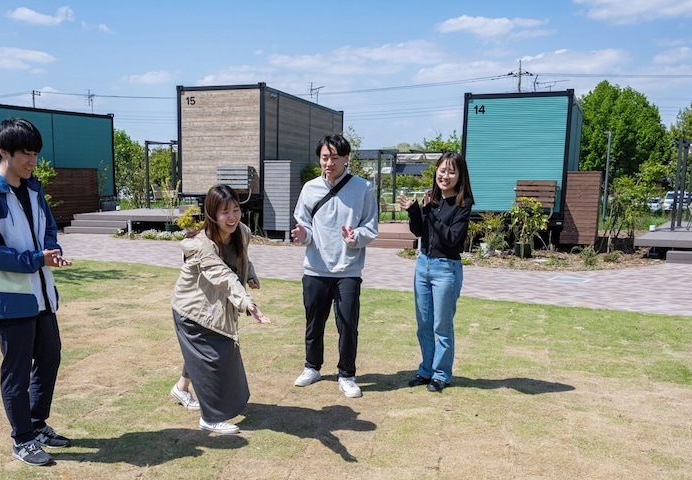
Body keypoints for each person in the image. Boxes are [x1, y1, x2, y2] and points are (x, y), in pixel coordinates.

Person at [0, 117, 73, 466]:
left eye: (35, 154)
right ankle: (22, 439)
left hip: (41, 294)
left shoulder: (33, 190)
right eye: (26, 154)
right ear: (4, 152)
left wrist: (51, 251)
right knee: (17, 370)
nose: (32, 161)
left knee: (50, 357)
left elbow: (48, 229)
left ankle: (36, 424)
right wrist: (35, 259)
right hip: (9, 300)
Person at [171, 184, 270, 434]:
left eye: (236, 209)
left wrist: (250, 274)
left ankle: (181, 389)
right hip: (192, 310)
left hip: (211, 306)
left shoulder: (241, 232)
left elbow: (242, 257)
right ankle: (210, 418)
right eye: (225, 212)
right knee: (215, 358)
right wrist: (247, 303)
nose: (232, 217)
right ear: (212, 214)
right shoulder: (202, 245)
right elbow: (223, 276)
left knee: (201, 354)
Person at [290, 133, 378, 398]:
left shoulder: (363, 188)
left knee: (348, 324)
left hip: (348, 270)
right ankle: (312, 367)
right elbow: (304, 222)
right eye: (324, 157)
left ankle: (347, 374)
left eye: (335, 158)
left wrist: (356, 237)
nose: (329, 163)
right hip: (315, 268)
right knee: (314, 323)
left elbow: (370, 225)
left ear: (346, 158)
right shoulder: (310, 188)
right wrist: (303, 235)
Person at [397, 151, 475, 393]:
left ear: (460, 176)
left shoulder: (463, 205)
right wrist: (414, 210)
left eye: (451, 172)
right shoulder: (432, 199)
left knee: (442, 326)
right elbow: (419, 231)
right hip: (423, 265)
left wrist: (430, 213)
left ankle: (441, 374)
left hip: (446, 269)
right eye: (442, 170)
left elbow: (452, 238)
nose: (445, 176)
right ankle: (426, 370)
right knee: (424, 324)